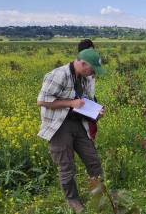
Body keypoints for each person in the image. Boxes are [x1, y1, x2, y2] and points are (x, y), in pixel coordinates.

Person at [37, 48, 104, 213]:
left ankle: (99, 194)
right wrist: (70, 103)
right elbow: (42, 101)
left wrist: (95, 110)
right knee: (67, 166)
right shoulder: (59, 75)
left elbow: (84, 100)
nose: (93, 73)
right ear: (82, 63)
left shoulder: (84, 78)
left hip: (77, 123)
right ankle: (73, 200)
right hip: (59, 126)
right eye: (92, 69)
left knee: (93, 159)